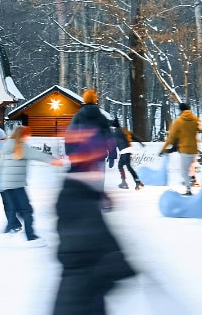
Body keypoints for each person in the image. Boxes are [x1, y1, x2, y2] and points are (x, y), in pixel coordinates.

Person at [54, 88, 135, 313]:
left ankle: (94, 198)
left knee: (83, 189)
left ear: (83, 100)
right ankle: (96, 198)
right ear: (96, 100)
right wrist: (110, 154)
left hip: (81, 161)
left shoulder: (78, 117)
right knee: (93, 185)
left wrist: (72, 155)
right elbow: (109, 138)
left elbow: (70, 138)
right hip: (95, 160)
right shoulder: (100, 117)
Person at [0, 126, 52, 244]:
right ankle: (30, 236)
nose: (28, 137)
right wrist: (54, 160)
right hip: (17, 184)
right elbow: (38, 155)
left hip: (6, 185)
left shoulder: (7, 146)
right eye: (27, 135)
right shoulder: (21, 147)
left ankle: (9, 230)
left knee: (15, 209)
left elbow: (0, 163)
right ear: (22, 135)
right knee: (27, 210)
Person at [162, 103, 199, 195]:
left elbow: (171, 138)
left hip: (185, 150)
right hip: (194, 149)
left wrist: (163, 148)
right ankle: (192, 180)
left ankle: (188, 189)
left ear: (181, 110)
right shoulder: (196, 119)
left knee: (184, 172)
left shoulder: (178, 122)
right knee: (190, 169)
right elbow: (201, 129)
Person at [109, 119, 144, 190]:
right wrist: (140, 142)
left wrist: (111, 156)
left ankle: (137, 181)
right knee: (120, 166)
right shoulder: (124, 130)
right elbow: (132, 136)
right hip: (127, 150)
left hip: (125, 150)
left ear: (114, 126)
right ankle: (124, 182)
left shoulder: (115, 132)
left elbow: (113, 144)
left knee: (128, 167)